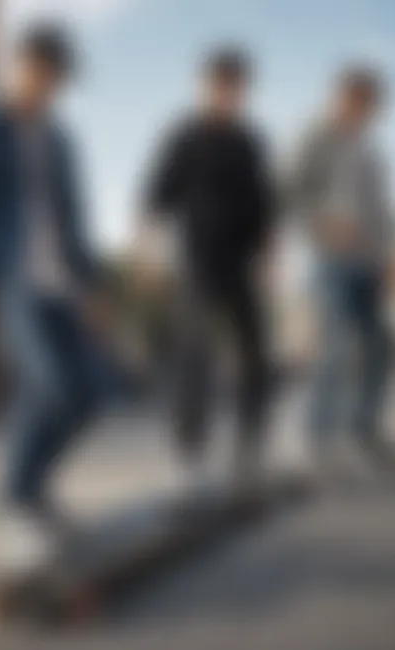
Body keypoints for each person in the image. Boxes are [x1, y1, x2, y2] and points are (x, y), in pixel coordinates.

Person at [0, 25, 107, 573]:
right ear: (17, 65)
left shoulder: (61, 141)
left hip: (62, 284)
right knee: (49, 384)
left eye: (54, 79)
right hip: (10, 278)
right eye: (37, 72)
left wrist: (90, 287)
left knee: (90, 392)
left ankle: (35, 490)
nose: (45, 87)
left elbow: (76, 219)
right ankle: (16, 507)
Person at [139, 47, 276, 498]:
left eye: (235, 87)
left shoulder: (250, 141)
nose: (227, 94)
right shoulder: (185, 137)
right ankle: (190, 454)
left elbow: (265, 208)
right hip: (197, 263)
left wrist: (271, 259)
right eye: (219, 85)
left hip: (242, 266)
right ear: (204, 86)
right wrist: (149, 255)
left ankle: (249, 449)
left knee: (256, 357)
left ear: (243, 91)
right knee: (196, 356)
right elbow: (155, 199)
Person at [290, 66, 395, 478]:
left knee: (379, 347)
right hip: (330, 261)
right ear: (342, 97)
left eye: (371, 106)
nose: (364, 111)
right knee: (335, 345)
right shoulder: (315, 138)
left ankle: (364, 430)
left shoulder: (370, 152)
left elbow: (383, 211)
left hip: (369, 264)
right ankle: (320, 438)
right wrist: (321, 223)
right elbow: (291, 191)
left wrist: (393, 256)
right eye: (358, 101)